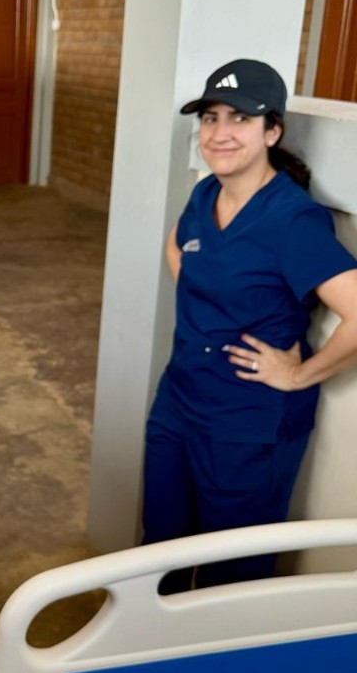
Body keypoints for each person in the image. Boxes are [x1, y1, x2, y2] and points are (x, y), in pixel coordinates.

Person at [142, 58, 357, 592]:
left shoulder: (292, 221)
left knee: (229, 575)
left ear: (272, 131)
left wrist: (299, 375)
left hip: (247, 424)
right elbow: (178, 245)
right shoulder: (205, 195)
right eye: (210, 118)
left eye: (239, 119)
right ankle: (151, 662)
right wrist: (206, 311)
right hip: (180, 400)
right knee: (158, 553)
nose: (219, 133)